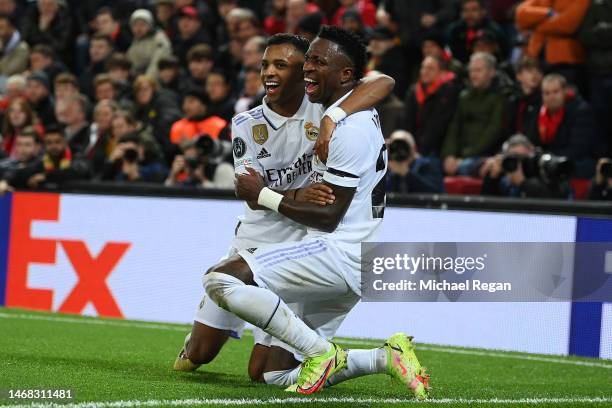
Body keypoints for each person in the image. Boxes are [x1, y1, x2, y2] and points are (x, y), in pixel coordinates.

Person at [204, 26, 429, 398]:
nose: (308, 68)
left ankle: (322, 353)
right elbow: (378, 82)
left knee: (220, 280)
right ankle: (383, 358)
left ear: (345, 75)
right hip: (356, 259)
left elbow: (328, 217)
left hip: (335, 255)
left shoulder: (349, 130)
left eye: (319, 61)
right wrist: (332, 115)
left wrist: (265, 195)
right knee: (271, 374)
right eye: (308, 58)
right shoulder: (348, 113)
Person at [441, 52, 509, 176]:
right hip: (460, 156)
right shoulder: (464, 97)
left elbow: (493, 131)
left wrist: (465, 155)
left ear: (492, 72)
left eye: (478, 70)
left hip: (485, 155)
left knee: (467, 167)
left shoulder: (501, 97)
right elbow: (454, 127)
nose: (473, 75)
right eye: (471, 70)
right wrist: (449, 155)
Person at [530, 74, 602, 178]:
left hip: (577, 162)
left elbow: (579, 149)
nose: (551, 97)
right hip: (550, 160)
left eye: (555, 92)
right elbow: (533, 141)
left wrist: (547, 157)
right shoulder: (539, 112)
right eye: (546, 93)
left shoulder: (580, 111)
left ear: (565, 92)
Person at [480, 133, 572, 198]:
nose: (518, 164)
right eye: (513, 158)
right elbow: (487, 207)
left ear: (532, 152)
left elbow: (557, 198)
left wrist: (523, 183)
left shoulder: (545, 168)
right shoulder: (505, 175)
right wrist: (492, 178)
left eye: (522, 158)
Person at [404, 55, 459, 158]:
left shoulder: (448, 92)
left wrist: (420, 152)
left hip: (436, 151)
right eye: (423, 67)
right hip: (413, 147)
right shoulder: (414, 91)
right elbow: (408, 122)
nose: (425, 71)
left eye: (430, 68)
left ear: (442, 72)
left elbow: (438, 126)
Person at [18, 124, 91, 189]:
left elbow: (79, 172)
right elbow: (24, 173)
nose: (53, 146)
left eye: (57, 142)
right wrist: (29, 178)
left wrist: (46, 176)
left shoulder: (77, 155)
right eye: (49, 143)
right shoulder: (43, 159)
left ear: (65, 142)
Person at [446, 0, 509, 64]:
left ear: (484, 11)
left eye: (474, 10)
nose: (469, 14)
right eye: (465, 10)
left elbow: (504, 53)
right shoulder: (455, 30)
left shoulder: (494, 30)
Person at [127, 9, 172, 79]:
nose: (138, 28)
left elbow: (156, 64)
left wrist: (146, 80)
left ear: (150, 25)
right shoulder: (135, 42)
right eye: (135, 25)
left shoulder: (159, 39)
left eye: (142, 25)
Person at [0, 12, 29, 79]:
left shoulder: (22, 47)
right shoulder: (1, 42)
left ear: (11, 27)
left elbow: (8, 71)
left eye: (1, 27)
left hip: (14, 81)